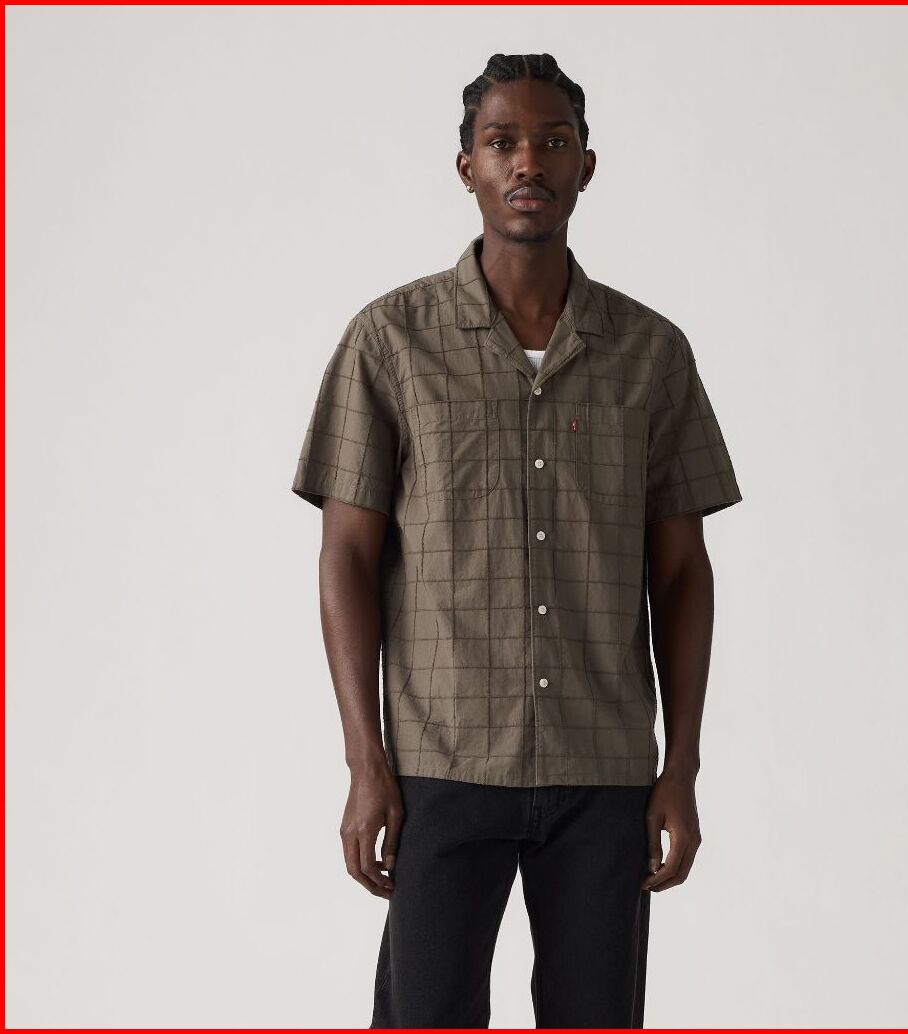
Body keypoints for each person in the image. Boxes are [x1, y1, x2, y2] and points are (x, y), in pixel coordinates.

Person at [290, 52, 743, 1030]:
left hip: (604, 767)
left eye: (552, 141)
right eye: (502, 143)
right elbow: (347, 558)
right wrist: (366, 762)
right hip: (440, 763)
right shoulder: (390, 341)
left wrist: (680, 767)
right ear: (468, 168)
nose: (527, 162)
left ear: (586, 165)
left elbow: (681, 573)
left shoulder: (651, 353)